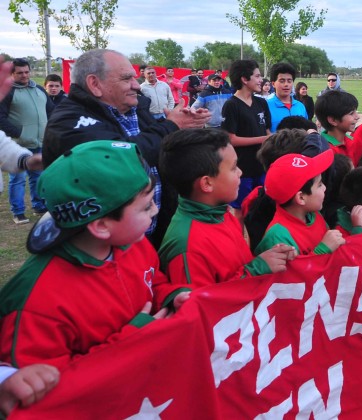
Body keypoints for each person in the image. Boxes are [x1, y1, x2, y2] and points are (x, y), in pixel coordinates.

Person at [0, 140, 191, 370]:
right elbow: (41, 394)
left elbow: (152, 281)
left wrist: (172, 296)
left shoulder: (132, 242)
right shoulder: (37, 305)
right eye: (146, 206)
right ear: (101, 226)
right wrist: (130, 342)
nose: (156, 210)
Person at [42, 49, 210, 248]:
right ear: (94, 84)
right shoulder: (68, 121)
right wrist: (171, 126)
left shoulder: (133, 108)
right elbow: (120, 156)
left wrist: (184, 128)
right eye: (127, 78)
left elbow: (157, 150)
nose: (136, 85)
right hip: (101, 245)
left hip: (150, 234)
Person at [157, 128, 295, 287]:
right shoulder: (187, 248)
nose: (240, 172)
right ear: (207, 183)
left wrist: (268, 258)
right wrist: (257, 269)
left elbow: (238, 266)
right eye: (234, 167)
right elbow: (203, 306)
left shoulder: (220, 211)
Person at [255, 150, 346, 256]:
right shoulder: (278, 237)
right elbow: (293, 272)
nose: (325, 188)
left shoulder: (312, 214)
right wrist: (322, 250)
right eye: (320, 184)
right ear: (301, 197)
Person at [0, 58, 52, 224]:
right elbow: (0, 117)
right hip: (18, 145)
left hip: (40, 142)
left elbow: (52, 111)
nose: (24, 75)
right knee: (18, 180)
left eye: (27, 72)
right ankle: (18, 211)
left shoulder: (38, 89)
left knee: (38, 177)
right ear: (12, 74)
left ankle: (39, 206)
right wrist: (18, 133)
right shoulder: (8, 92)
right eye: (20, 73)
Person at [221, 59, 271, 214]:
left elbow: (267, 130)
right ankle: (240, 239)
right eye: (257, 76)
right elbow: (230, 139)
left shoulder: (261, 103)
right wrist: (263, 139)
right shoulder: (231, 105)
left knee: (261, 209)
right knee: (241, 210)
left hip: (261, 167)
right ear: (244, 79)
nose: (261, 80)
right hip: (243, 169)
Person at [314, 90, 361, 161]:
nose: (357, 117)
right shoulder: (323, 150)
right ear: (333, 120)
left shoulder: (351, 140)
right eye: (351, 113)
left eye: (356, 112)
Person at [266, 62, 308, 132]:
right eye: (282, 81)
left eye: (289, 81)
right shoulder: (266, 106)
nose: (286, 84)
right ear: (273, 84)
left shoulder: (300, 106)